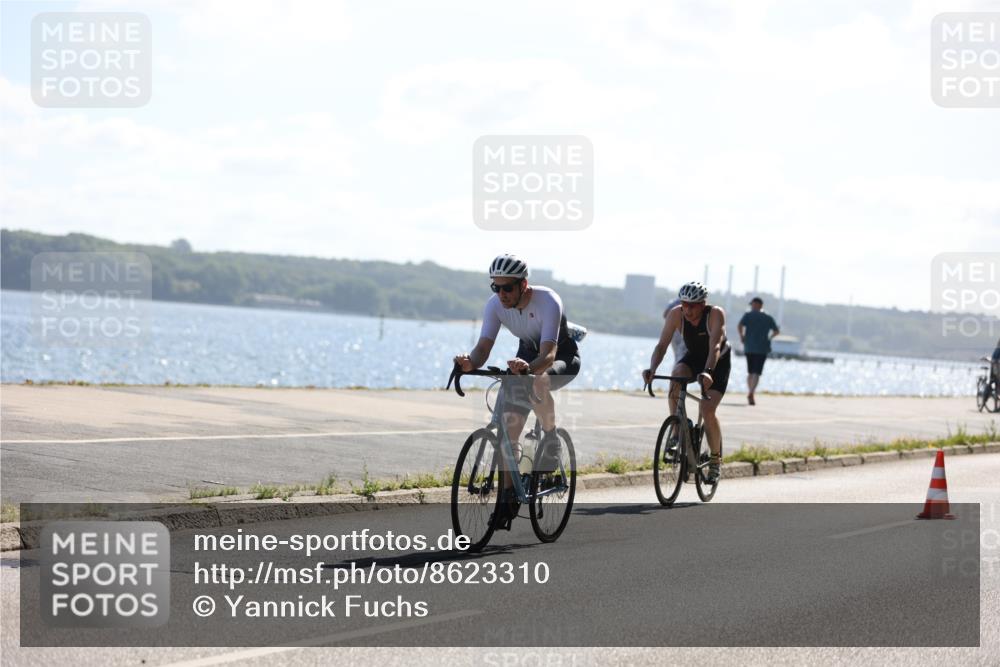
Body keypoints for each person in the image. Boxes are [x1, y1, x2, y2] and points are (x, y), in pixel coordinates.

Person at [453, 254, 581, 526]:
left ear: (523, 285)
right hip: (525, 358)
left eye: (507, 287)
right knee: (507, 434)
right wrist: (469, 363)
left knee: (539, 380)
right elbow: (483, 348)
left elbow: (548, 355)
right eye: (496, 287)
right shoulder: (495, 305)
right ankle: (508, 498)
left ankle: (551, 439)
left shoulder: (548, 301)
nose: (501, 294)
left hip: (561, 358)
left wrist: (529, 368)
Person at [643, 281, 730, 483]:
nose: (688, 310)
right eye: (684, 304)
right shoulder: (676, 314)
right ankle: (676, 433)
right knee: (676, 376)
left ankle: (715, 460)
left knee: (707, 408)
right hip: (694, 357)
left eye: (693, 305)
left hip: (717, 362)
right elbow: (661, 346)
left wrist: (708, 372)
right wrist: (652, 369)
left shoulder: (715, 314)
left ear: (703, 304)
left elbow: (715, 347)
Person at [737, 297, 780, 406]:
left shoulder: (748, 315)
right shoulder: (768, 317)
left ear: (756, 304)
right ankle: (751, 392)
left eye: (752, 304)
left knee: (750, 372)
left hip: (749, 347)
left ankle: (750, 391)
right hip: (762, 348)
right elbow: (776, 331)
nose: (751, 306)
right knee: (756, 372)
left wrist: (742, 336)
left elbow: (739, 325)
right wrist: (769, 338)